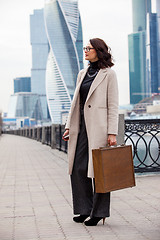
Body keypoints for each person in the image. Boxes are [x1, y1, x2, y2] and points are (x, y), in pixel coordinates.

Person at [62, 38, 119, 226]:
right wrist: (69, 125)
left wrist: (112, 132)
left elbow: (113, 105)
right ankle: (83, 209)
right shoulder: (82, 73)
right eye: (85, 48)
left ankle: (98, 212)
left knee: (100, 171)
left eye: (89, 48)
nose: (85, 51)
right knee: (78, 168)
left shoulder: (108, 74)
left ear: (98, 51)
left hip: (99, 128)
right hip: (81, 128)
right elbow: (75, 102)